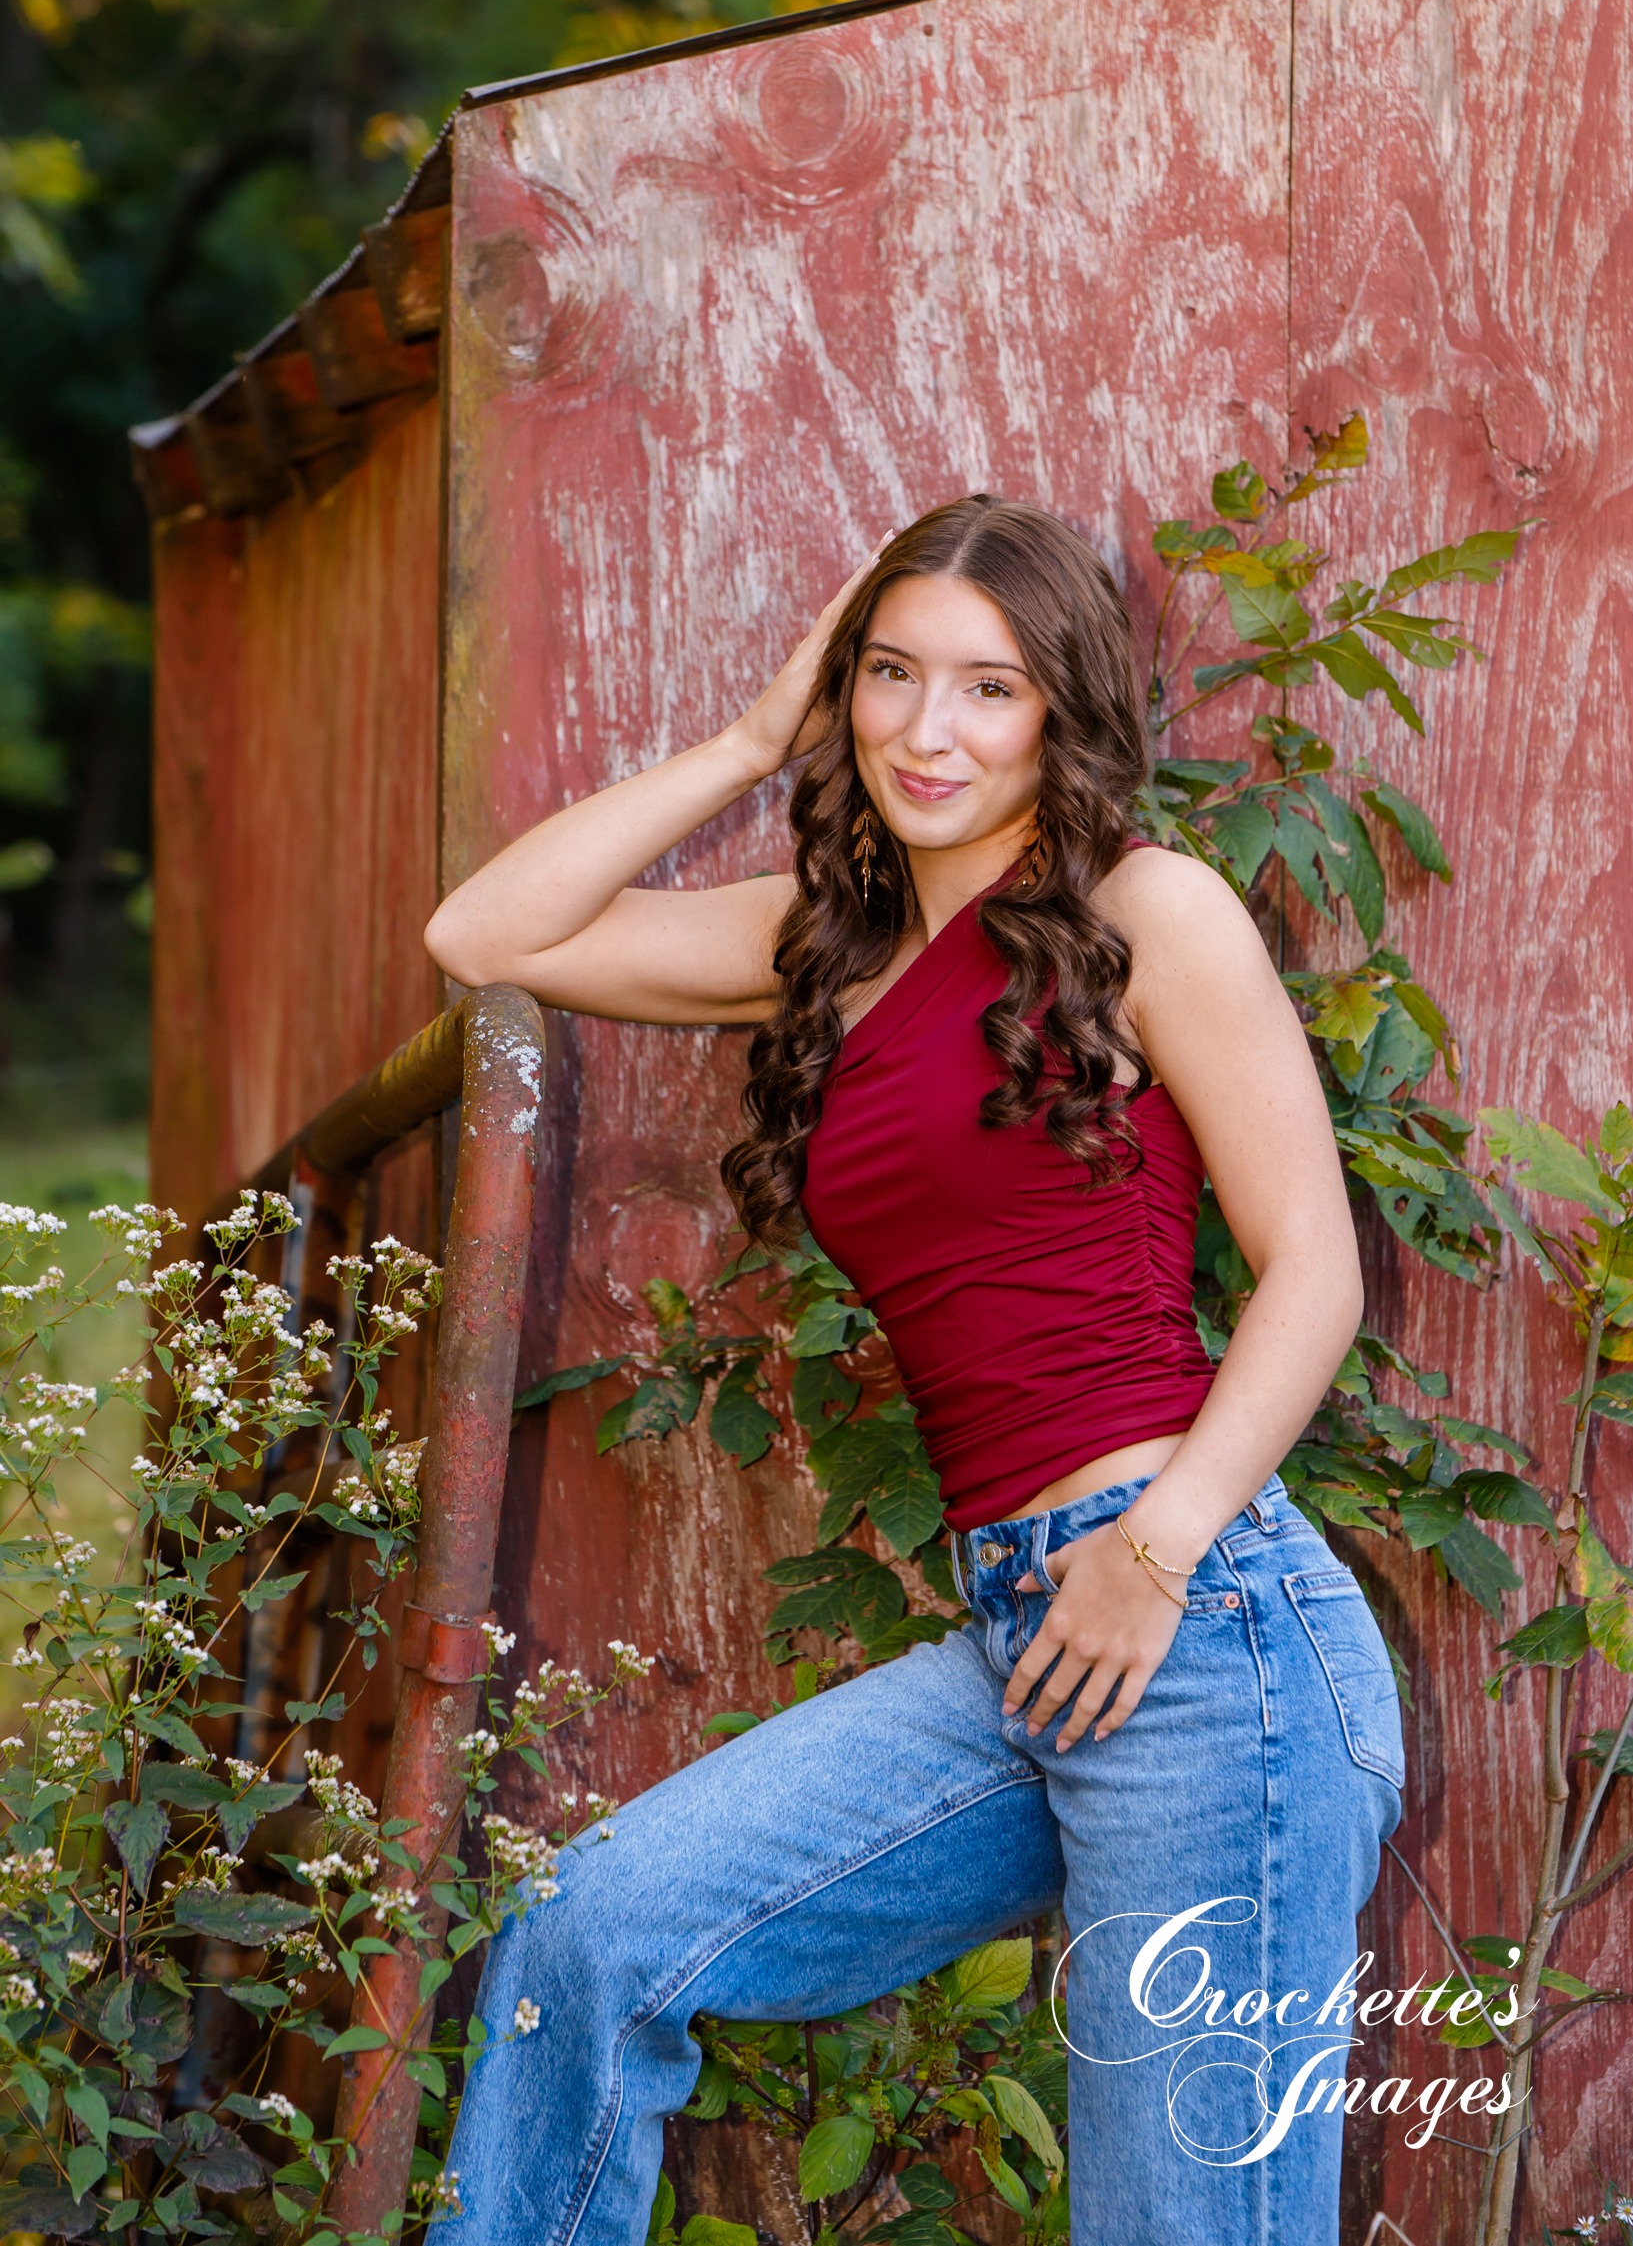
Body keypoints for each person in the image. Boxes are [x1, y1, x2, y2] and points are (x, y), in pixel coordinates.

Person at [422, 496, 1405, 2246]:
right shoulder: (825, 948)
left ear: (1060, 715)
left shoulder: (1142, 911)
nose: (926, 732)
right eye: (890, 677)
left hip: (1204, 1633)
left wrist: (1158, 1543)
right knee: (591, 1929)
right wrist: (743, 739)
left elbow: (1313, 1272)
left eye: (987, 690)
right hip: (1027, 1633)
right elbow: (484, 935)